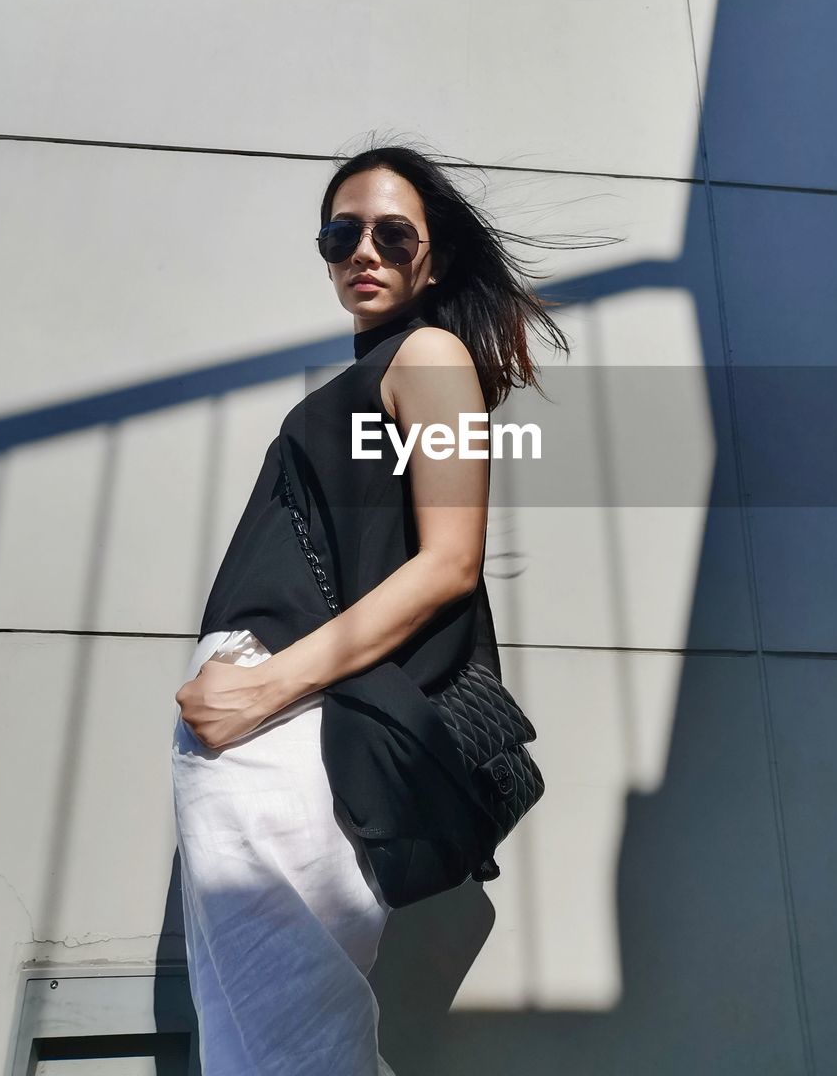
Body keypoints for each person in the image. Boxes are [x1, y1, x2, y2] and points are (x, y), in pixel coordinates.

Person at [169, 143, 605, 1075]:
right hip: (270, 717)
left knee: (279, 1050)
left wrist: (263, 687)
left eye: (392, 232)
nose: (363, 250)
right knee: (270, 1040)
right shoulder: (380, 370)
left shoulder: (431, 354)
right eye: (341, 232)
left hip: (287, 714)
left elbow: (450, 562)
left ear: (432, 258)